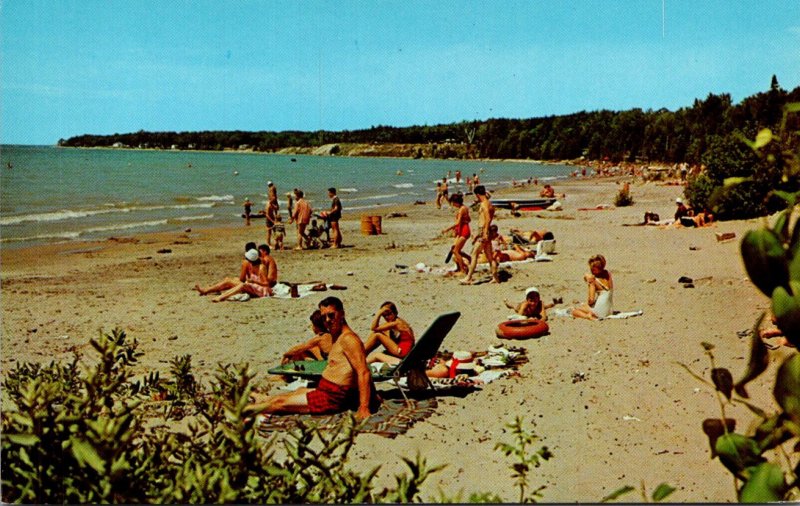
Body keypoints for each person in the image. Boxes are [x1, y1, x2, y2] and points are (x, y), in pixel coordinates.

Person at [245, 296, 379, 420]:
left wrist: (364, 407)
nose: (327, 320)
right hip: (326, 390)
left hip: (332, 397)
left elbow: (363, 371)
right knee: (294, 393)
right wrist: (374, 396)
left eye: (331, 315)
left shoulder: (349, 339)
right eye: (324, 317)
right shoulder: (336, 336)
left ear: (342, 314)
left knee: (280, 403)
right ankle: (261, 398)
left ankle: (242, 410)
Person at [194, 246, 272, 302]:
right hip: (253, 287)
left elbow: (266, 284)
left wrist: (254, 282)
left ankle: (221, 297)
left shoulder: (261, 268)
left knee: (242, 285)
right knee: (228, 280)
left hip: (261, 290)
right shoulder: (252, 265)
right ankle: (205, 290)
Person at [461, 185, 499, 284]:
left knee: (474, 254)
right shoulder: (490, 204)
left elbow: (486, 218)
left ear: (477, 194)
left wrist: (484, 232)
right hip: (486, 231)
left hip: (483, 231)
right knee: (490, 257)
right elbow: (489, 218)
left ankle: (468, 278)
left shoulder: (484, 204)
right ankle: (495, 278)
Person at [572, 254, 613, 320]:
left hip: (600, 311)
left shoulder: (592, 280)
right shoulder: (608, 274)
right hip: (609, 310)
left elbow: (591, 300)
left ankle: (588, 316)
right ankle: (589, 314)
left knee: (574, 311)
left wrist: (589, 282)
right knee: (584, 306)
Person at [441, 193, 471, 274]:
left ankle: (462, 269)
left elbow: (457, 223)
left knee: (456, 251)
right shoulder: (464, 208)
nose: (453, 205)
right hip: (463, 230)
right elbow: (469, 219)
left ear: (456, 202)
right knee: (455, 249)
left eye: (453, 203)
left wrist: (447, 229)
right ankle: (467, 260)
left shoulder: (461, 209)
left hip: (464, 231)